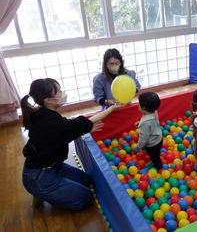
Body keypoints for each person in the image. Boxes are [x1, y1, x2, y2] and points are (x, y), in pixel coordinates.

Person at [21, 78, 124, 211]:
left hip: (52, 166)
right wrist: (111, 109)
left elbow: (60, 134)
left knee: (86, 181)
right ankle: (42, 193)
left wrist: (82, 129)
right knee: (85, 198)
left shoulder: (41, 113)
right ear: (49, 100)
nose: (62, 93)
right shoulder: (53, 122)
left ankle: (51, 190)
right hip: (39, 176)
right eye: (59, 91)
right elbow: (79, 123)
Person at [135, 92, 163, 170]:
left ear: (144, 108)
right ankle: (153, 160)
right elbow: (153, 122)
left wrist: (139, 146)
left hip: (152, 144)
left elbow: (143, 137)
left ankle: (158, 167)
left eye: (139, 104)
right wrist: (140, 123)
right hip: (159, 138)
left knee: (154, 156)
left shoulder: (145, 123)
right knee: (155, 153)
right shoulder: (154, 111)